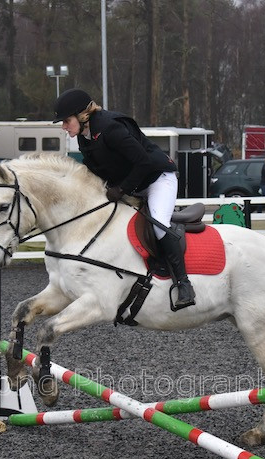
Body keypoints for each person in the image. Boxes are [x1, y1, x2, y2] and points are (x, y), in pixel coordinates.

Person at [53, 88, 194, 309]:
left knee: (158, 225)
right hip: (134, 184)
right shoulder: (84, 136)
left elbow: (143, 162)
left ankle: (184, 283)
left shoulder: (111, 128)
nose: (63, 126)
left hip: (157, 179)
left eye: (66, 121)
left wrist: (121, 189)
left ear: (82, 115)